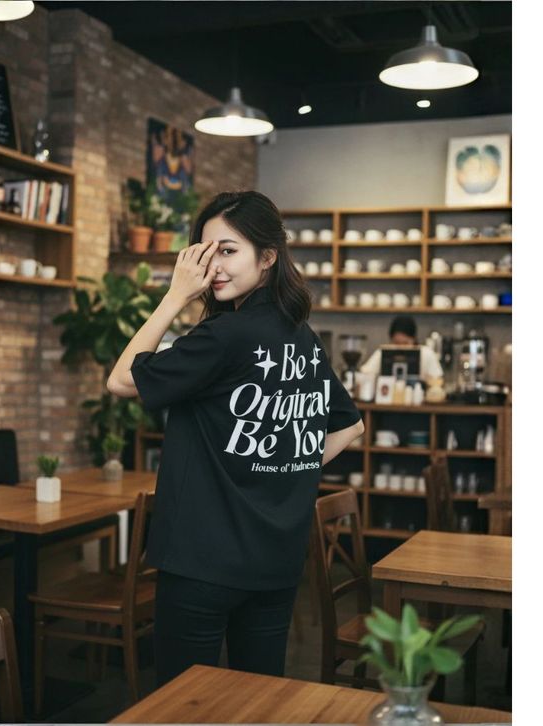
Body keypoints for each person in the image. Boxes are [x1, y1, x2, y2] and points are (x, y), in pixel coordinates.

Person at [107, 191, 364, 687]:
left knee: (182, 704)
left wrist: (174, 296)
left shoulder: (225, 335)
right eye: (206, 253)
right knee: (257, 701)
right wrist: (282, 468)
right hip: (275, 560)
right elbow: (350, 426)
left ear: (268, 257)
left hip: (202, 558)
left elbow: (120, 380)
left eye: (228, 251)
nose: (214, 266)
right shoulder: (302, 337)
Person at [360, 315, 443, 381]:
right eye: (396, 343)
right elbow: (364, 374)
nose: (401, 347)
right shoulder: (384, 352)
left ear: (414, 339)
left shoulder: (427, 353)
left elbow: (437, 379)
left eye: (405, 343)